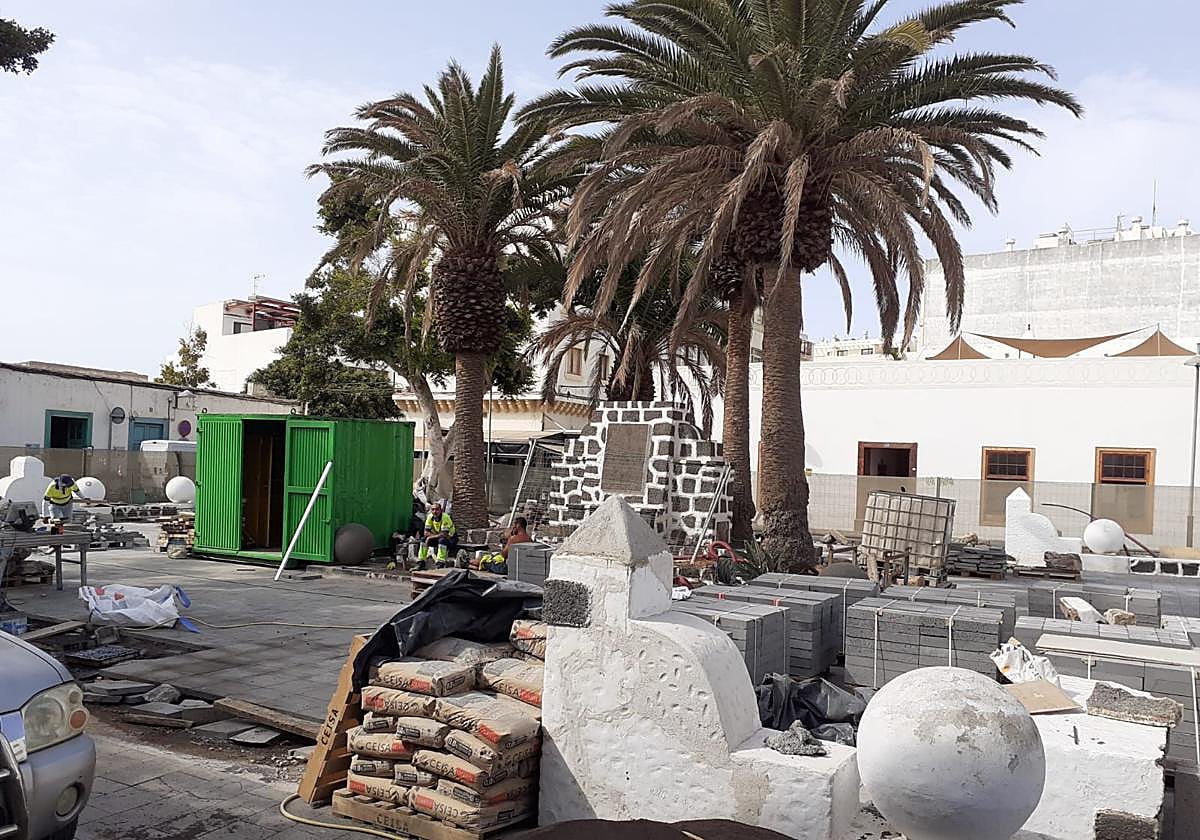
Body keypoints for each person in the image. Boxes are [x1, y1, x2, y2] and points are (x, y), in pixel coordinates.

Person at [421, 501, 457, 566]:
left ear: (441, 510)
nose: (435, 511)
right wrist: (430, 536)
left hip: (450, 539)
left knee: (442, 540)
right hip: (438, 537)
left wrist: (430, 537)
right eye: (433, 509)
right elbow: (426, 532)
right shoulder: (430, 517)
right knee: (423, 539)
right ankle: (421, 562)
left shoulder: (445, 517)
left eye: (437, 509)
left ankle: (440, 562)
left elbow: (444, 534)